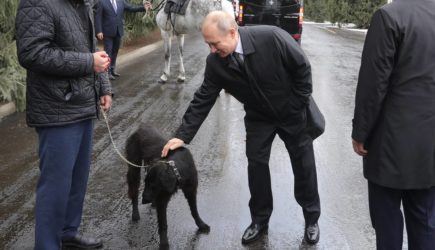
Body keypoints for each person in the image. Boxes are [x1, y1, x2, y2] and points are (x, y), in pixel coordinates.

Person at [161, 11, 324, 245]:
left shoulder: (272, 38)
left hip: (292, 113)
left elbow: (302, 68)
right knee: (256, 165)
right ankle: (259, 220)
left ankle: (311, 219)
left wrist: (296, 104)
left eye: (215, 44)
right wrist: (182, 136)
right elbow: (203, 98)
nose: (212, 50)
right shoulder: (216, 63)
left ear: (232, 32)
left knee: (304, 163)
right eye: (208, 44)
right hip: (259, 118)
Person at [15, 0, 113, 249]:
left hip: (83, 104)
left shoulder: (82, 4)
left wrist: (103, 86)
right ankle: (48, 244)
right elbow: (32, 52)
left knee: (77, 180)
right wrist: (87, 62)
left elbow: (91, 47)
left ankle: (68, 233)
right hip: (56, 108)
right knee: (56, 185)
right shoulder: (37, 2)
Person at [352, 0, 435, 249]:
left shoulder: (389, 17)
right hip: (429, 145)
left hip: (390, 145)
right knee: (425, 222)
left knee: (387, 222)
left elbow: (373, 83)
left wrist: (360, 132)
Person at [95, 0, 152, 80]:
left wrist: (143, 8)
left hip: (118, 31)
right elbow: (98, 16)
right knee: (108, 52)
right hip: (107, 32)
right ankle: (106, 72)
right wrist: (99, 31)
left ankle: (112, 69)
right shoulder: (102, 2)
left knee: (115, 51)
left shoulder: (120, 1)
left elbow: (131, 8)